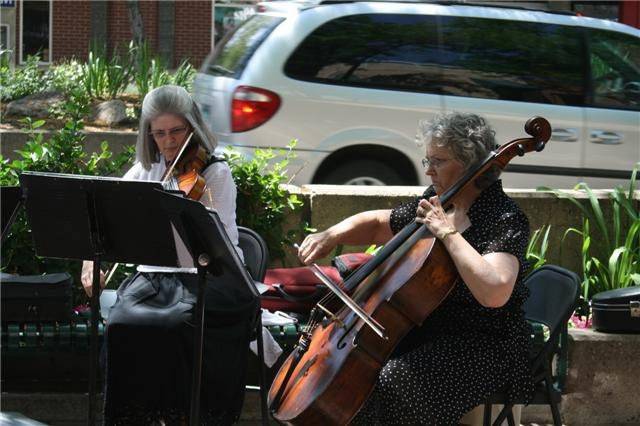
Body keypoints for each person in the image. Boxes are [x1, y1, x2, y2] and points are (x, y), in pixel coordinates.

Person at [297, 112, 534, 425]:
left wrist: (448, 233)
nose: (428, 171)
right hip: (429, 330)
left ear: (469, 164)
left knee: (397, 380)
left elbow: (494, 291)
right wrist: (331, 235)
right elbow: (377, 224)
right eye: (427, 160)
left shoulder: (503, 219)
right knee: (360, 372)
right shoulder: (438, 202)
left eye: (438, 161)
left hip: (485, 343)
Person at [81, 85, 258, 425]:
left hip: (213, 278)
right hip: (156, 279)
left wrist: (196, 210)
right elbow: (109, 218)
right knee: (120, 324)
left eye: (177, 131)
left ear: (192, 127)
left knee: (177, 324)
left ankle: (182, 416)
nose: (169, 141)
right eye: (159, 133)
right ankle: (135, 417)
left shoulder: (214, 173)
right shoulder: (145, 171)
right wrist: (92, 261)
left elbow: (217, 248)